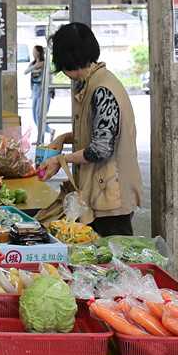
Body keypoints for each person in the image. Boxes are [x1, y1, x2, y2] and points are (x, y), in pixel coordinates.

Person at [35, 23, 142, 237]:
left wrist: (60, 160)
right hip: (102, 191)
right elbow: (100, 132)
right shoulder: (94, 82)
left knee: (113, 260)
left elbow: (100, 148)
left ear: (67, 60)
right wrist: (64, 138)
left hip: (111, 197)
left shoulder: (102, 90)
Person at [25, 46, 52, 142]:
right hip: (35, 90)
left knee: (39, 114)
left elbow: (49, 76)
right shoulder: (33, 63)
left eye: (34, 51)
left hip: (43, 90)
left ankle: (42, 138)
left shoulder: (45, 63)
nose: (33, 52)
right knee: (34, 115)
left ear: (39, 52)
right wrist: (35, 66)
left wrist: (37, 66)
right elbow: (26, 72)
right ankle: (47, 132)